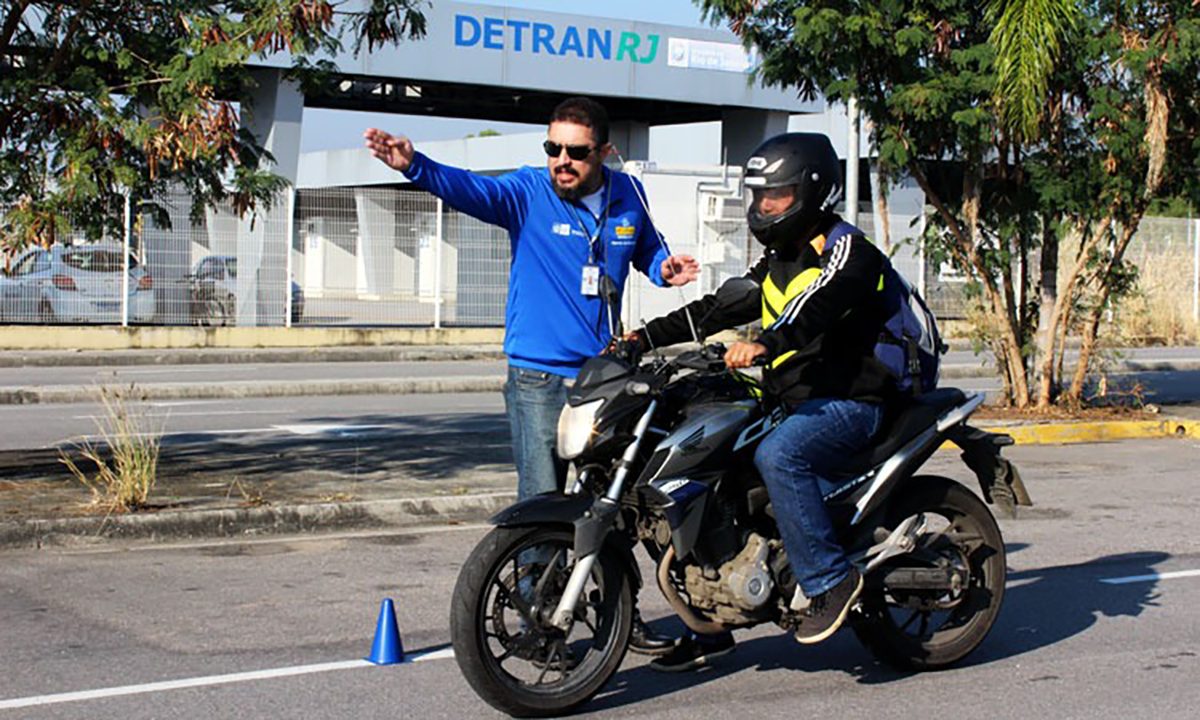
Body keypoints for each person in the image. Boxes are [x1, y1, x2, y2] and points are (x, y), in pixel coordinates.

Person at [364, 97, 698, 655]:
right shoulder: (527, 192)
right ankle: (537, 622)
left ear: (604, 152)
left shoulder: (627, 194)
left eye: (575, 151)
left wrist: (664, 268)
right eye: (553, 148)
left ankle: (619, 613)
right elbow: (473, 189)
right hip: (539, 380)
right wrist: (415, 166)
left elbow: (646, 249)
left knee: (612, 502)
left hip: (605, 380)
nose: (561, 160)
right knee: (541, 502)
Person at [627, 132, 898, 672]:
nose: (763, 207)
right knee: (694, 469)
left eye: (776, 195)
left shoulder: (849, 253)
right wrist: (643, 338)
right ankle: (708, 618)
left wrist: (766, 343)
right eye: (758, 196)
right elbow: (716, 308)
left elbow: (813, 309)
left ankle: (830, 579)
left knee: (780, 456)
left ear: (811, 192)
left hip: (852, 399)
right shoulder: (777, 258)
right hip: (793, 395)